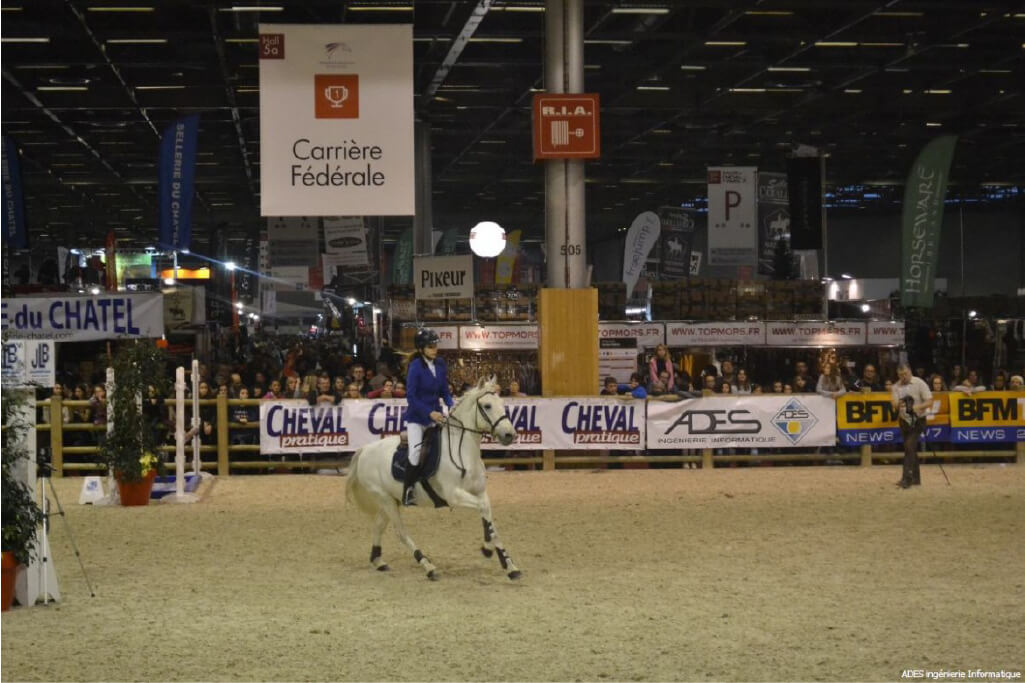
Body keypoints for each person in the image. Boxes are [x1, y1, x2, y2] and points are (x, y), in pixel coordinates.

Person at [403, 328, 454, 506]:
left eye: (435, 345)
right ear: (421, 348)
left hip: (436, 417)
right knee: (416, 453)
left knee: (445, 448)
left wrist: (452, 405)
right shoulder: (415, 367)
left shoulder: (440, 364)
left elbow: (444, 391)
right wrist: (429, 412)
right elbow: (411, 397)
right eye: (430, 346)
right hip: (417, 418)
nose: (435, 348)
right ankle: (408, 490)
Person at [891, 363, 933, 489]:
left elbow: (930, 401)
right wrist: (900, 404)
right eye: (901, 375)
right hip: (904, 421)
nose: (904, 376)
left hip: (918, 420)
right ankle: (916, 478)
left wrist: (916, 407)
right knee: (910, 448)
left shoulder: (920, 383)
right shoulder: (895, 387)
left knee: (909, 445)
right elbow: (894, 403)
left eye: (906, 374)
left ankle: (906, 478)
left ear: (910, 371)